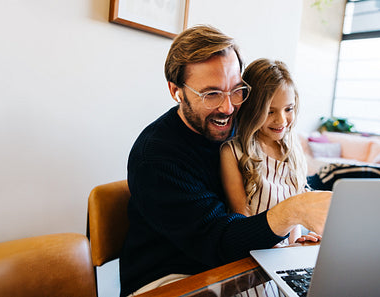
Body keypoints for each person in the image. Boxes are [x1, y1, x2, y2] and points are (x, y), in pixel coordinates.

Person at [120, 25, 332, 297]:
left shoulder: (237, 128)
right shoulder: (157, 157)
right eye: (211, 94)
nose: (228, 107)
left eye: (236, 90)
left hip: (239, 265)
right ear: (176, 91)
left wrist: (306, 218)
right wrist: (293, 211)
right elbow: (220, 241)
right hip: (172, 280)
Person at [220, 58, 318, 246]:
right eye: (270, 111)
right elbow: (242, 219)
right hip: (254, 251)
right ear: (252, 109)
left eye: (288, 109)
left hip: (284, 255)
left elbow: (294, 215)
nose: (281, 120)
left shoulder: (292, 149)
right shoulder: (233, 152)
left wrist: (297, 243)